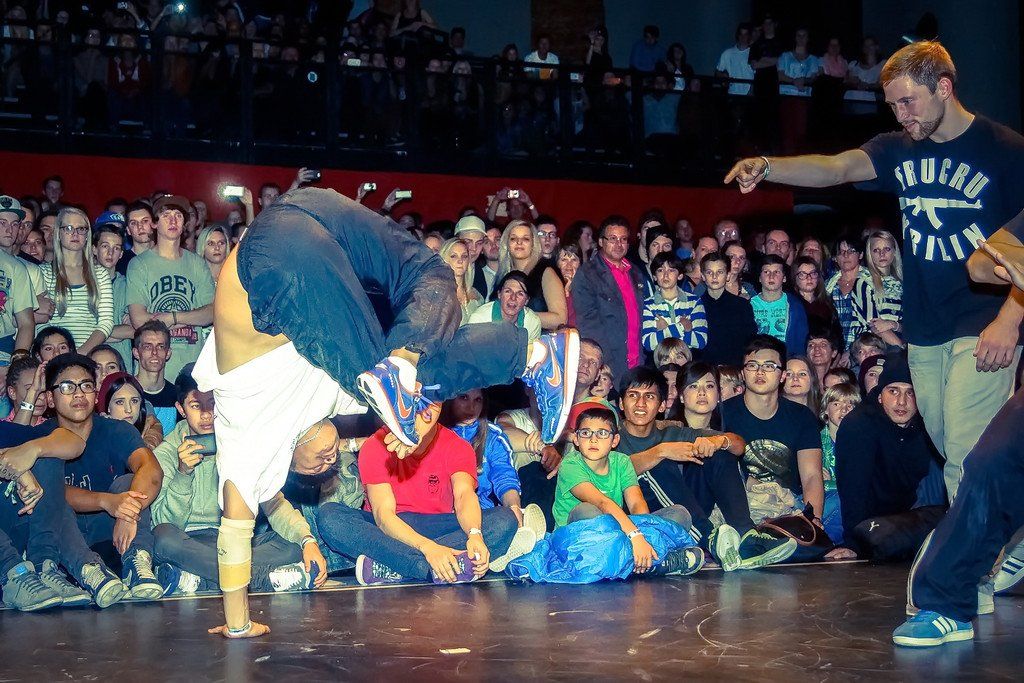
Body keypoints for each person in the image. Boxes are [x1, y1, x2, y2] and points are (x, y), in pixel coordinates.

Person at [192, 188, 578, 638]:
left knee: (388, 377)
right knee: (432, 278)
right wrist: (412, 423)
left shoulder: (246, 438)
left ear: (287, 464)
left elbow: (233, 533)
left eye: (318, 464)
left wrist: (237, 623)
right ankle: (536, 355)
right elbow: (431, 396)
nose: (329, 459)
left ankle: (416, 370)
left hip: (268, 252)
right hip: (319, 212)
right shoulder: (343, 397)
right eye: (330, 463)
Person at [726, 40, 1024, 499]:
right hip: (924, 329)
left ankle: (970, 546)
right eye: (893, 106)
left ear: (944, 88)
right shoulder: (898, 148)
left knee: (966, 452)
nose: (901, 115)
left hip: (983, 323)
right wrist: (768, 166)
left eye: (908, 102)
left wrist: (1010, 319)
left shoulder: (1005, 149)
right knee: (949, 445)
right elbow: (836, 168)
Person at [151, 367, 320, 596]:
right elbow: (164, 523)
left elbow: (274, 503)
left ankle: (200, 580)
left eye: (212, 403)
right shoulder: (166, 453)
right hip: (191, 542)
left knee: (292, 545)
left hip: (235, 541)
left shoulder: (240, 443)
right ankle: (259, 578)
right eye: (196, 406)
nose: (206, 414)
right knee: (162, 539)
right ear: (181, 409)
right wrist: (183, 473)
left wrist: (307, 540)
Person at [615, 365, 795, 570]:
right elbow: (612, 472)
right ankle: (710, 539)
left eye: (649, 396)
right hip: (638, 519)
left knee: (718, 453)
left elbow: (739, 445)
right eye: (633, 395)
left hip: (687, 511)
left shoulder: (673, 433)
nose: (640, 403)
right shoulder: (611, 437)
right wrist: (661, 451)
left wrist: (719, 442)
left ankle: (747, 537)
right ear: (621, 403)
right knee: (660, 466)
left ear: (662, 405)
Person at [316, 416, 532, 585]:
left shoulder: (456, 445)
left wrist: (474, 534)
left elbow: (464, 495)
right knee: (330, 517)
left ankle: (394, 566)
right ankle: (428, 568)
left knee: (504, 520)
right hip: (389, 531)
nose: (420, 415)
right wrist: (429, 549)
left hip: (437, 526)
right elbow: (383, 516)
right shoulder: (376, 445)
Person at [37, 353, 165, 599]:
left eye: (86, 386)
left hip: (114, 537)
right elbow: (51, 491)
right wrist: (107, 501)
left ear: (96, 396)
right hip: (67, 542)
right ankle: (89, 571)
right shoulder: (40, 437)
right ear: (50, 399)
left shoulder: (117, 430)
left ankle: (137, 564)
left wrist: (128, 512)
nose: (78, 394)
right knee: (50, 497)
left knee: (128, 482)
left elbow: (151, 469)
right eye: (67, 387)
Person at [552, 404, 704, 576]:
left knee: (680, 514)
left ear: (615, 440)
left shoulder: (622, 462)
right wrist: (635, 536)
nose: (593, 440)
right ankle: (656, 563)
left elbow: (637, 503)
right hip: (579, 538)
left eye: (602, 433)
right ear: (576, 439)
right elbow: (601, 502)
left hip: (619, 531)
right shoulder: (570, 465)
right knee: (587, 510)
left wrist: (642, 538)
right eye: (586, 433)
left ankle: (639, 560)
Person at [835, 354, 943, 559]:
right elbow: (853, 488)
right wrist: (854, 543)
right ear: (879, 395)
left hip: (910, 514)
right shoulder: (859, 425)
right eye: (893, 391)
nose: (901, 401)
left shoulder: (927, 422)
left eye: (910, 393)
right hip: (869, 519)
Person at [720, 335, 825, 527]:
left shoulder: (802, 416)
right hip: (741, 504)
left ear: (782, 375)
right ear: (743, 373)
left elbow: (811, 475)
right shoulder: (722, 414)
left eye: (769, 366)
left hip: (790, 505)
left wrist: (813, 520)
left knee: (838, 504)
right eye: (752, 365)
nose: (760, 372)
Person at [127, 195, 216, 382]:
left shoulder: (197, 264)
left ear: (185, 224)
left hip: (192, 369)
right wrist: (191, 316)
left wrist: (171, 318)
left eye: (178, 216)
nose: (173, 220)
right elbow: (139, 319)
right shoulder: (139, 264)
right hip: (152, 373)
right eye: (166, 215)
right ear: (154, 224)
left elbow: (211, 313)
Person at [441, 388, 545, 534]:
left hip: (482, 514)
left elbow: (504, 476)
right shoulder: (436, 433)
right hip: (441, 516)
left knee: (504, 520)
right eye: (464, 397)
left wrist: (513, 507)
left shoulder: (492, 436)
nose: (471, 407)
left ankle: (518, 532)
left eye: (478, 400)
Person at [574, 215, 647, 380]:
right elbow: (588, 324)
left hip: (637, 361)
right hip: (609, 364)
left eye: (623, 239)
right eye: (613, 239)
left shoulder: (635, 272)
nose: (618, 244)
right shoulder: (588, 274)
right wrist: (604, 363)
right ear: (601, 242)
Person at [40, 208, 113, 355]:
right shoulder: (43, 272)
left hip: (88, 354)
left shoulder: (100, 274)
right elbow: (40, 322)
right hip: (53, 355)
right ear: (58, 233)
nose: (75, 234)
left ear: (87, 235)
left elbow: (106, 322)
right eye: (68, 228)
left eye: (81, 229)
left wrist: (79, 354)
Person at [495, 220, 567, 330]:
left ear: (534, 243)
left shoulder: (546, 272)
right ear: (506, 244)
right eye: (513, 238)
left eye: (525, 239)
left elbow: (560, 319)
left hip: (540, 338)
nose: (519, 242)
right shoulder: (503, 275)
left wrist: (518, 314)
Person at [817, 381, 860, 546]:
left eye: (850, 405)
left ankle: (822, 542)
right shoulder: (815, 440)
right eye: (836, 404)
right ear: (826, 410)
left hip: (846, 501)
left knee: (844, 501)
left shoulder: (860, 443)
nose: (844, 409)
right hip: (821, 500)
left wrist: (830, 483)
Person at [641, 252, 708, 355]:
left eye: (671, 270)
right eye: (660, 270)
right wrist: (682, 327)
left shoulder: (694, 302)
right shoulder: (647, 305)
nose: (665, 275)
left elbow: (701, 341)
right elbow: (648, 343)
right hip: (660, 361)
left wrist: (664, 332)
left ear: (680, 275)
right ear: (654, 277)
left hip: (687, 360)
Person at [698, 251, 757, 366]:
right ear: (703, 276)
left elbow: (749, 340)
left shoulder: (742, 306)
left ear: (728, 275)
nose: (714, 277)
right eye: (709, 272)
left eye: (720, 272)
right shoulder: (696, 306)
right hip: (704, 369)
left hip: (734, 368)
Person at [91, 216, 134, 367]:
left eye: (116, 248)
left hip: (121, 363)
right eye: (105, 246)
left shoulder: (128, 285)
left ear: (121, 253)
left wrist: (95, 331)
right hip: (88, 360)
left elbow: (133, 330)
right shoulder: (83, 283)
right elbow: (77, 328)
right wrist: (118, 332)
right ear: (94, 249)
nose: (110, 253)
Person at [751, 255, 809, 358]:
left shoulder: (795, 305)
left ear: (784, 278)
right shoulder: (749, 305)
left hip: (786, 359)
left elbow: (801, 341)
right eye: (766, 272)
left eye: (776, 272)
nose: (771, 276)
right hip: (756, 359)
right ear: (759, 278)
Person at [0, 196, 36, 357]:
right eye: (2, 223)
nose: (9, 230)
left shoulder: (17, 267)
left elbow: (26, 323)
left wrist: (18, 361)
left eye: (15, 224)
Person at [855, 229, 904, 347]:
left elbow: (910, 324)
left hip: (900, 341)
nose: (882, 254)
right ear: (870, 254)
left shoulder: (902, 283)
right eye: (876, 250)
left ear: (894, 251)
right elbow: (874, 325)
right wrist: (902, 346)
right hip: (873, 345)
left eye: (887, 249)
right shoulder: (864, 281)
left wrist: (893, 325)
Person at [132, 319, 179, 435]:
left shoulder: (177, 396)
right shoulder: (125, 392)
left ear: (168, 353)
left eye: (160, 347)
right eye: (147, 347)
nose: (154, 352)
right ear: (136, 353)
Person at [467, 270, 542, 341]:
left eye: (520, 294)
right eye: (508, 291)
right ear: (499, 294)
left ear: (527, 300)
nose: (513, 298)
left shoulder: (533, 322)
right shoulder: (479, 320)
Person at [792, 256, 842, 344]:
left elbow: (837, 336)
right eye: (802, 274)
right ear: (795, 278)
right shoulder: (790, 304)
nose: (809, 278)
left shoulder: (827, 305)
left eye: (813, 273)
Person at [439, 238, 482, 324]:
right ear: (444, 260)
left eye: (464, 256)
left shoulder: (477, 295)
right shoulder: (437, 294)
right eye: (453, 256)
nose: (460, 261)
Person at [116, 200, 155, 276]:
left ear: (154, 224)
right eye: (133, 223)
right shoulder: (120, 262)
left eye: (145, 221)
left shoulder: (167, 256)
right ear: (128, 230)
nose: (140, 227)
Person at [715, 23, 755, 96]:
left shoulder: (753, 53)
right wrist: (724, 78)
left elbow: (757, 74)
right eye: (741, 34)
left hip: (749, 94)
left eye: (745, 34)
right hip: (732, 93)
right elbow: (718, 71)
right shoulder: (727, 53)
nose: (743, 37)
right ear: (738, 36)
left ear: (749, 36)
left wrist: (752, 90)